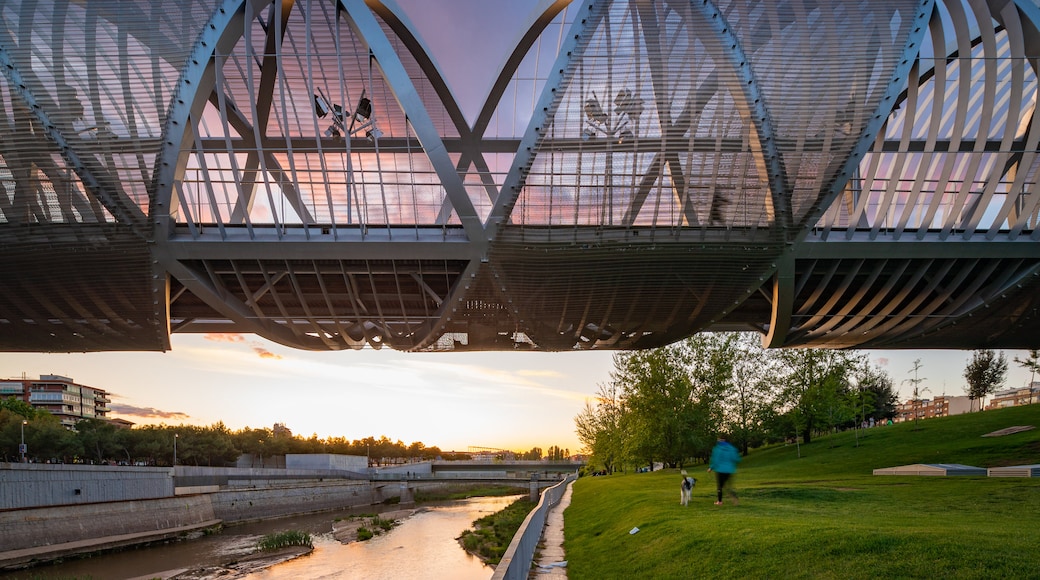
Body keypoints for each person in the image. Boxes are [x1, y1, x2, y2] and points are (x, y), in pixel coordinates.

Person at [707, 435, 741, 505]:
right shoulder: (732, 448)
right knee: (727, 485)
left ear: (720, 440)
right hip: (729, 470)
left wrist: (711, 467)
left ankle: (719, 501)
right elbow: (736, 459)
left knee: (720, 486)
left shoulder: (718, 449)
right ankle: (734, 496)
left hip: (720, 470)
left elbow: (716, 460)